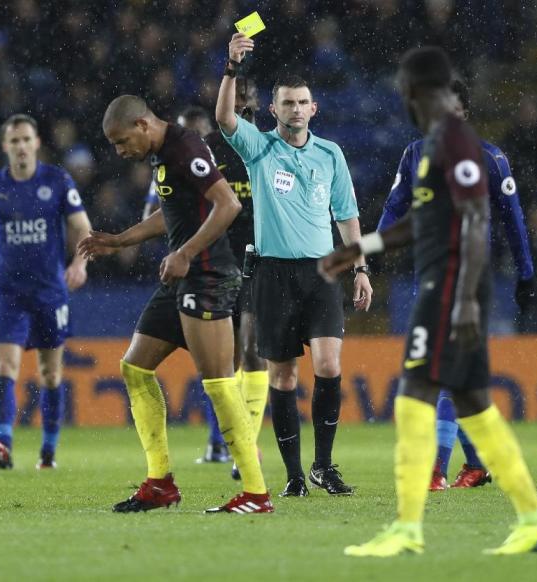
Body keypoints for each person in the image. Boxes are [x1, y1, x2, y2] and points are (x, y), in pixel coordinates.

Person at [321, 46, 537, 557]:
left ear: (418, 90)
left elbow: (476, 221)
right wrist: (364, 247)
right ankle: (535, 518)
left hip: (453, 287)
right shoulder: (427, 149)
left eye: (406, 89)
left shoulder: (461, 146)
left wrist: (472, 301)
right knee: (471, 401)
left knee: (413, 396)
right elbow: (419, 218)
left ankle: (408, 526)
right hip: (446, 283)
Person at [78, 95, 271, 514]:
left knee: (219, 382)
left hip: (206, 276)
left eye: (121, 140)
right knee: (134, 367)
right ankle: (159, 482)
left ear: (143, 124)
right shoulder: (162, 153)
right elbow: (173, 212)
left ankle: (256, 494)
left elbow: (229, 204)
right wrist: (119, 240)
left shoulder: (185, 146)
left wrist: (185, 253)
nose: (119, 150)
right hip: (181, 278)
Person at [217, 35, 372, 497]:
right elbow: (225, 119)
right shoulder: (259, 149)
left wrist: (361, 269)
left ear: (315, 108)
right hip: (272, 274)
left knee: (328, 363)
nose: (297, 109)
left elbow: (346, 215)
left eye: (303, 102)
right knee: (283, 376)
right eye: (288, 103)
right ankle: (294, 476)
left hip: (322, 272)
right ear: (273, 109)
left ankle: (323, 464)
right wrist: (231, 67)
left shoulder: (331, 154)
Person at [378, 78, 535, 491]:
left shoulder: (490, 158)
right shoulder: (414, 155)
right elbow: (394, 207)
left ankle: (436, 469)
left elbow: (514, 222)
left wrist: (527, 273)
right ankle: (478, 463)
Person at [144, 84, 268, 476]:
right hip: (217, 261)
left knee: (251, 349)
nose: (243, 104)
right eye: (237, 96)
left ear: (257, 103)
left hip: (261, 260)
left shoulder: (268, 148)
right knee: (223, 364)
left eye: (249, 97)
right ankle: (227, 442)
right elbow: (177, 205)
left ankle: (244, 444)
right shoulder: (207, 150)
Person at [0, 114, 92, 470]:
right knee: (5, 366)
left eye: (25, 140)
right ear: (5, 147)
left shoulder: (58, 181)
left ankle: (48, 452)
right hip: (8, 295)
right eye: (13, 141)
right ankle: (3, 442)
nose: (20, 146)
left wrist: (80, 264)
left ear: (36, 144)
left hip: (50, 293)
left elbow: (82, 227)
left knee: (50, 374)